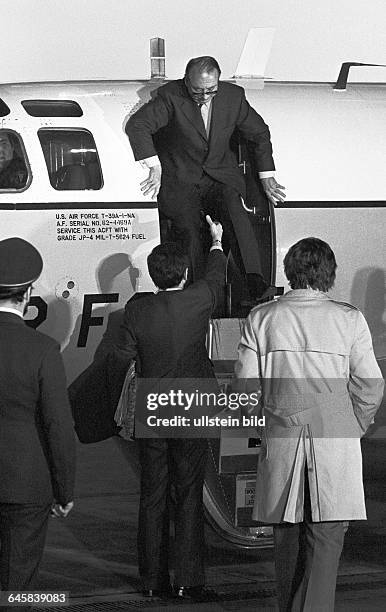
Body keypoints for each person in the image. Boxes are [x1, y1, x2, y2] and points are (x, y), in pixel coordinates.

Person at [233, 237, 384, 611]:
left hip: (282, 440)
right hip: (334, 442)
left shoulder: (262, 318)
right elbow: (370, 385)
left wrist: (264, 421)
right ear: (330, 273)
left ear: (290, 271)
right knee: (327, 538)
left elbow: (244, 389)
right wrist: (354, 425)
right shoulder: (348, 318)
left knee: (286, 540)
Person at [113, 215, 225, 600]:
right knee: (188, 493)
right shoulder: (199, 300)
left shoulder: (136, 310)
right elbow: (215, 275)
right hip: (192, 409)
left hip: (152, 411)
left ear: (152, 275)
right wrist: (216, 243)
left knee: (153, 496)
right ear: (184, 273)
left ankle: (151, 581)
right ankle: (188, 581)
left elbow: (125, 354)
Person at [126, 55, 285, 297]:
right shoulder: (171, 96)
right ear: (186, 81)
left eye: (211, 90)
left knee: (235, 211)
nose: (204, 96)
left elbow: (260, 133)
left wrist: (266, 175)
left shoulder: (234, 98)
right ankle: (195, 291)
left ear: (218, 82)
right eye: (197, 90)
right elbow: (138, 126)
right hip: (182, 179)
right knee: (188, 229)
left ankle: (254, 281)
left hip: (220, 177)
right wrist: (154, 166)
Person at [0, 237, 76, 608]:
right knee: (19, 584)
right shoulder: (43, 350)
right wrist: (64, 492)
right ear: (28, 294)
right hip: (25, 485)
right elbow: (58, 427)